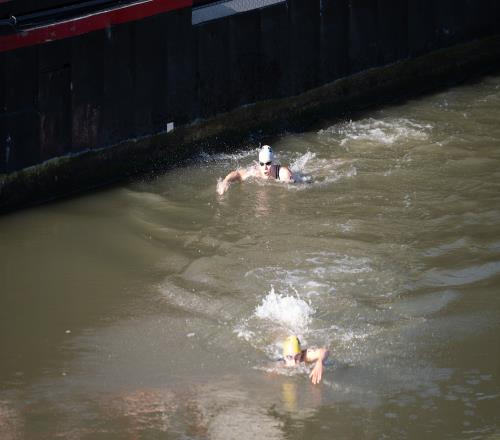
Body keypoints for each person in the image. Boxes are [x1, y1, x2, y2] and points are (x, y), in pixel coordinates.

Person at [217, 145, 294, 195]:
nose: (265, 168)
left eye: (268, 163)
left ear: (273, 162)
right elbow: (237, 174)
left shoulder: (283, 174)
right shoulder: (255, 171)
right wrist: (225, 181)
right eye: (262, 164)